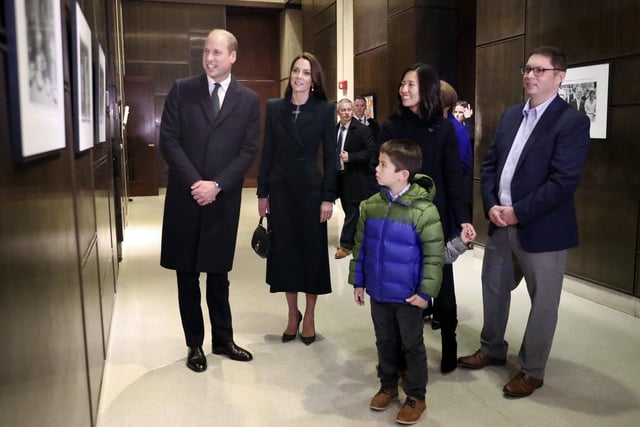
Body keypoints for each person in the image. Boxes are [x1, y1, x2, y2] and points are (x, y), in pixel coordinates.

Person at [458, 46, 591, 398]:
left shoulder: (572, 122)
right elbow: (489, 165)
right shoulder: (511, 115)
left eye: (540, 70)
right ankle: (492, 347)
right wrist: (490, 205)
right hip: (501, 225)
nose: (530, 75)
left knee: (543, 302)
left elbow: (563, 181)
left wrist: (518, 210)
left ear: (559, 77)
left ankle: (532, 369)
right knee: (494, 289)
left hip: (542, 229)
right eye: (527, 68)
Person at [349, 139, 475, 425]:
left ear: (402, 174)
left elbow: (434, 258)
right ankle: (388, 385)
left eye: (383, 165)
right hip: (379, 292)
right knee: (384, 341)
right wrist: (358, 282)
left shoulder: (424, 212)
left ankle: (416, 395)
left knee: (412, 345)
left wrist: (425, 293)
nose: (376, 169)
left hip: (408, 297)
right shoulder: (371, 206)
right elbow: (361, 248)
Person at [159, 29, 259, 372]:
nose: (210, 58)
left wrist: (217, 185)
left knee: (218, 274)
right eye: (206, 52)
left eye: (217, 52)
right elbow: (168, 140)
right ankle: (195, 345)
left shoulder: (248, 100)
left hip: (222, 199)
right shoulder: (182, 90)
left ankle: (223, 339)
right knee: (186, 275)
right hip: (186, 199)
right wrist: (196, 183)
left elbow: (248, 149)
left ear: (233, 57)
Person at [380, 63, 475, 373]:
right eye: (402, 84)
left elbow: (452, 177)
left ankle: (449, 341)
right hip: (400, 218)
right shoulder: (391, 126)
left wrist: (462, 219)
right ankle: (401, 352)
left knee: (442, 283)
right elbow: (379, 174)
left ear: (428, 90)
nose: (403, 90)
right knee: (403, 284)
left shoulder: (444, 129)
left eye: (411, 85)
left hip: (436, 217)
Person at [257, 52, 337, 345]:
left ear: (314, 81)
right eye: (296, 70)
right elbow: (268, 152)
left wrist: (328, 197)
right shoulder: (275, 107)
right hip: (281, 191)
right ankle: (293, 314)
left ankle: (311, 315)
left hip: (311, 192)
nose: (299, 77)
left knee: (312, 254)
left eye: (306, 73)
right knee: (285, 253)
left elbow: (330, 158)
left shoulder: (325, 110)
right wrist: (262, 192)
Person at [334, 98, 378, 259]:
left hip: (355, 176)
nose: (346, 113)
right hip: (339, 176)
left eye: (348, 109)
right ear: (338, 112)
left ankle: (345, 245)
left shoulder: (362, 130)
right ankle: (353, 240)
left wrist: (351, 157)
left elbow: (371, 152)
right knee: (347, 209)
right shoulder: (335, 129)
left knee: (352, 210)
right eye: (343, 110)